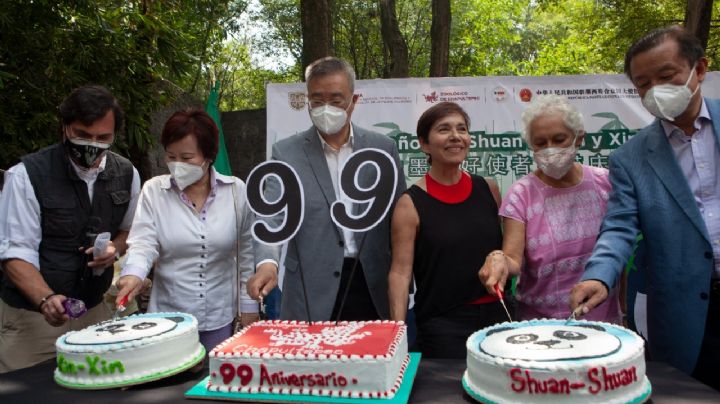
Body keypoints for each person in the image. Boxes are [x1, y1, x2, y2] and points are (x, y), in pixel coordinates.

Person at [569, 26, 720, 390]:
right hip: (685, 314)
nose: (654, 91)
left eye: (666, 77)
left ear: (699, 69)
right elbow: (619, 226)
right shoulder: (631, 157)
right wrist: (598, 275)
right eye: (643, 83)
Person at [247, 57, 406, 321]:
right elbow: (271, 217)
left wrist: (405, 278)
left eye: (335, 100)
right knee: (316, 361)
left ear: (354, 101)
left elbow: (400, 218)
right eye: (317, 101)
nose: (326, 108)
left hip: (372, 281)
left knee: (371, 358)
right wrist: (267, 265)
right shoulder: (286, 153)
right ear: (307, 101)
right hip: (311, 286)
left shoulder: (382, 149)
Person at [0, 85, 140, 373]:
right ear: (64, 128)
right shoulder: (26, 175)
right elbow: (14, 253)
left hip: (97, 312)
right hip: (33, 320)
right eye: (83, 135)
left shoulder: (126, 173)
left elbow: (130, 232)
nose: (93, 144)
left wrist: (115, 248)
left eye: (103, 138)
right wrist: (46, 298)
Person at [116, 109, 257, 352]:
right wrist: (134, 275)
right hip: (168, 321)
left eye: (187, 157)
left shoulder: (236, 191)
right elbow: (143, 244)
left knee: (213, 385)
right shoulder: (154, 191)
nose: (177, 165)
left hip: (220, 318)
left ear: (209, 155)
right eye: (171, 157)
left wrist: (249, 309)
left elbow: (246, 254)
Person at [479, 95, 621, 323]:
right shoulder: (521, 193)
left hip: (602, 321)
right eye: (541, 143)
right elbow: (513, 259)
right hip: (541, 326)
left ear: (579, 138)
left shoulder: (606, 183)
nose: (550, 149)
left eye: (559, 139)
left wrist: (623, 310)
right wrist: (498, 259)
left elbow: (618, 251)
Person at [388, 102, 506, 358]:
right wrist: (397, 333)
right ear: (424, 144)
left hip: (499, 321)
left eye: (461, 129)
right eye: (444, 129)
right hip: (443, 326)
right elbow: (400, 272)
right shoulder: (410, 204)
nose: (455, 136)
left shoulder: (489, 189)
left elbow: (505, 253)